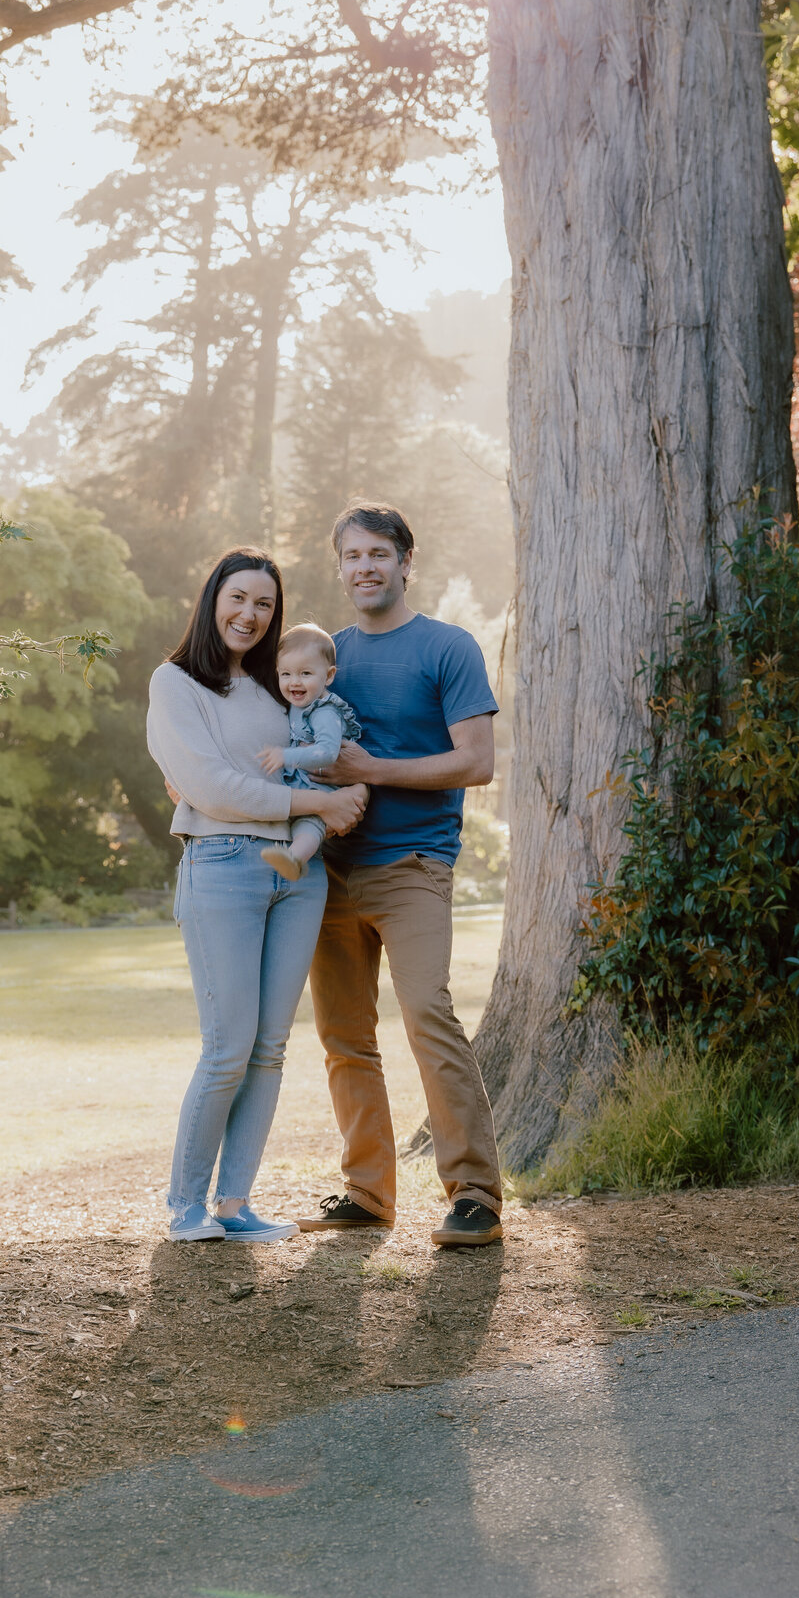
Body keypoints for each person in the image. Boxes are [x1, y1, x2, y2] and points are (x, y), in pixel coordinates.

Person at [295, 502, 505, 1249]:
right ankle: (366, 1192)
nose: (365, 567)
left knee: (427, 1017)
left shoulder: (446, 647)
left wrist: (374, 770)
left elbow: (476, 762)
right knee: (345, 1038)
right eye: (351, 556)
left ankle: (475, 1194)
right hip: (332, 873)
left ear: (406, 562)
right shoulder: (328, 655)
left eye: (378, 553)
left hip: (415, 864)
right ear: (341, 566)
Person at [146, 548, 367, 1245]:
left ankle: (234, 1204)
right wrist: (314, 806)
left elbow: (326, 755)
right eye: (238, 598)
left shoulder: (282, 688)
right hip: (222, 868)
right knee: (228, 1047)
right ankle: (185, 1208)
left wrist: (337, 799)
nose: (250, 614)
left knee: (269, 1048)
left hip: (298, 879)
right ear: (214, 598)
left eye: (265, 604)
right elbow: (211, 789)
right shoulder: (177, 683)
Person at [259, 622, 363, 884]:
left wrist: (286, 757)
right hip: (300, 785)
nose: (294, 682)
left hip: (323, 787)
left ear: (328, 676)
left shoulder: (324, 711)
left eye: (305, 673)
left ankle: (294, 859)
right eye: (286, 674)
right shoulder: (295, 703)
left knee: (310, 824)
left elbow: (328, 753)